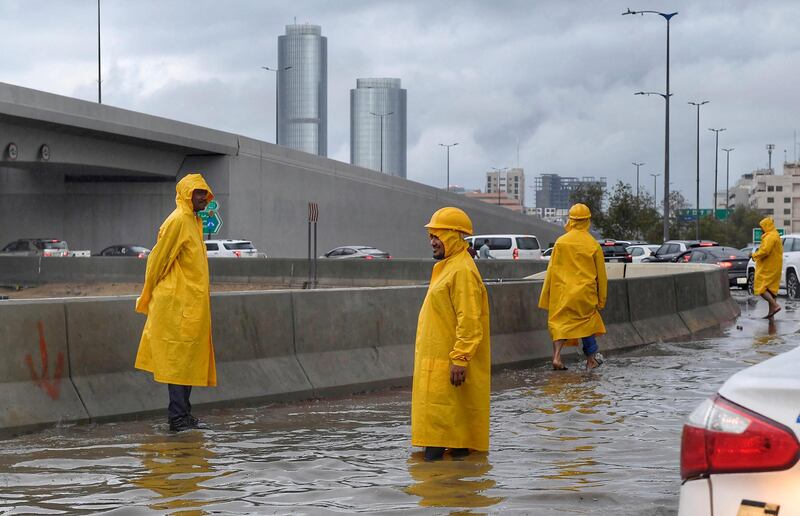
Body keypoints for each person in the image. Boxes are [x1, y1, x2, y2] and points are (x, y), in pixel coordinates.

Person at [135, 173, 217, 432]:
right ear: (186, 194)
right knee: (179, 361)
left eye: (205, 192)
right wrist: (148, 294)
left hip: (190, 304)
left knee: (188, 358)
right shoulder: (179, 220)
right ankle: (178, 417)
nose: (204, 197)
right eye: (198, 193)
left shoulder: (193, 221)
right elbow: (157, 261)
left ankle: (184, 414)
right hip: (177, 303)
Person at [412, 207, 491, 461]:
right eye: (431, 236)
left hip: (450, 366)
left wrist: (460, 358)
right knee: (453, 436)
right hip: (439, 364)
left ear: (455, 236)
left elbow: (469, 320)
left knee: (439, 438)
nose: (433, 241)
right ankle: (457, 489)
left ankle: (436, 491)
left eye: (438, 235)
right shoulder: (449, 267)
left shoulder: (462, 271)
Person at [538, 203, 607, 370]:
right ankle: (591, 360)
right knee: (587, 324)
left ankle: (556, 357)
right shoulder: (593, 244)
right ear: (587, 221)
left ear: (571, 220)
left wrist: (546, 296)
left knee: (560, 325)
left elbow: (552, 270)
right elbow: (601, 276)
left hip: (562, 292)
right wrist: (601, 300)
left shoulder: (561, 242)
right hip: (585, 294)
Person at [751, 216, 783, 319]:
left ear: (766, 226)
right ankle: (771, 313)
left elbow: (765, 251)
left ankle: (775, 305)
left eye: (762, 227)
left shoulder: (770, 237)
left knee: (761, 288)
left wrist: (753, 255)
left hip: (768, 267)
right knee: (771, 289)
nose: (761, 230)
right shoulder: (775, 235)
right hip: (775, 266)